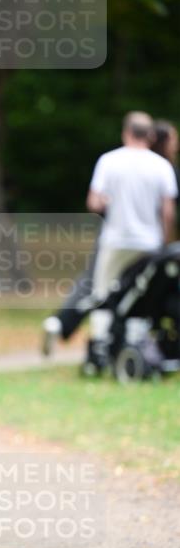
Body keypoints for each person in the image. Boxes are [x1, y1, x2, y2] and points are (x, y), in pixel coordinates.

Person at [85, 110, 177, 363]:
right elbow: (168, 211)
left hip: (115, 240)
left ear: (126, 132)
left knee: (104, 292)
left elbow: (94, 202)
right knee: (143, 291)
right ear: (148, 135)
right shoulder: (161, 166)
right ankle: (137, 341)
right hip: (149, 243)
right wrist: (163, 241)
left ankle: (101, 346)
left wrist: (105, 202)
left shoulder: (108, 161)